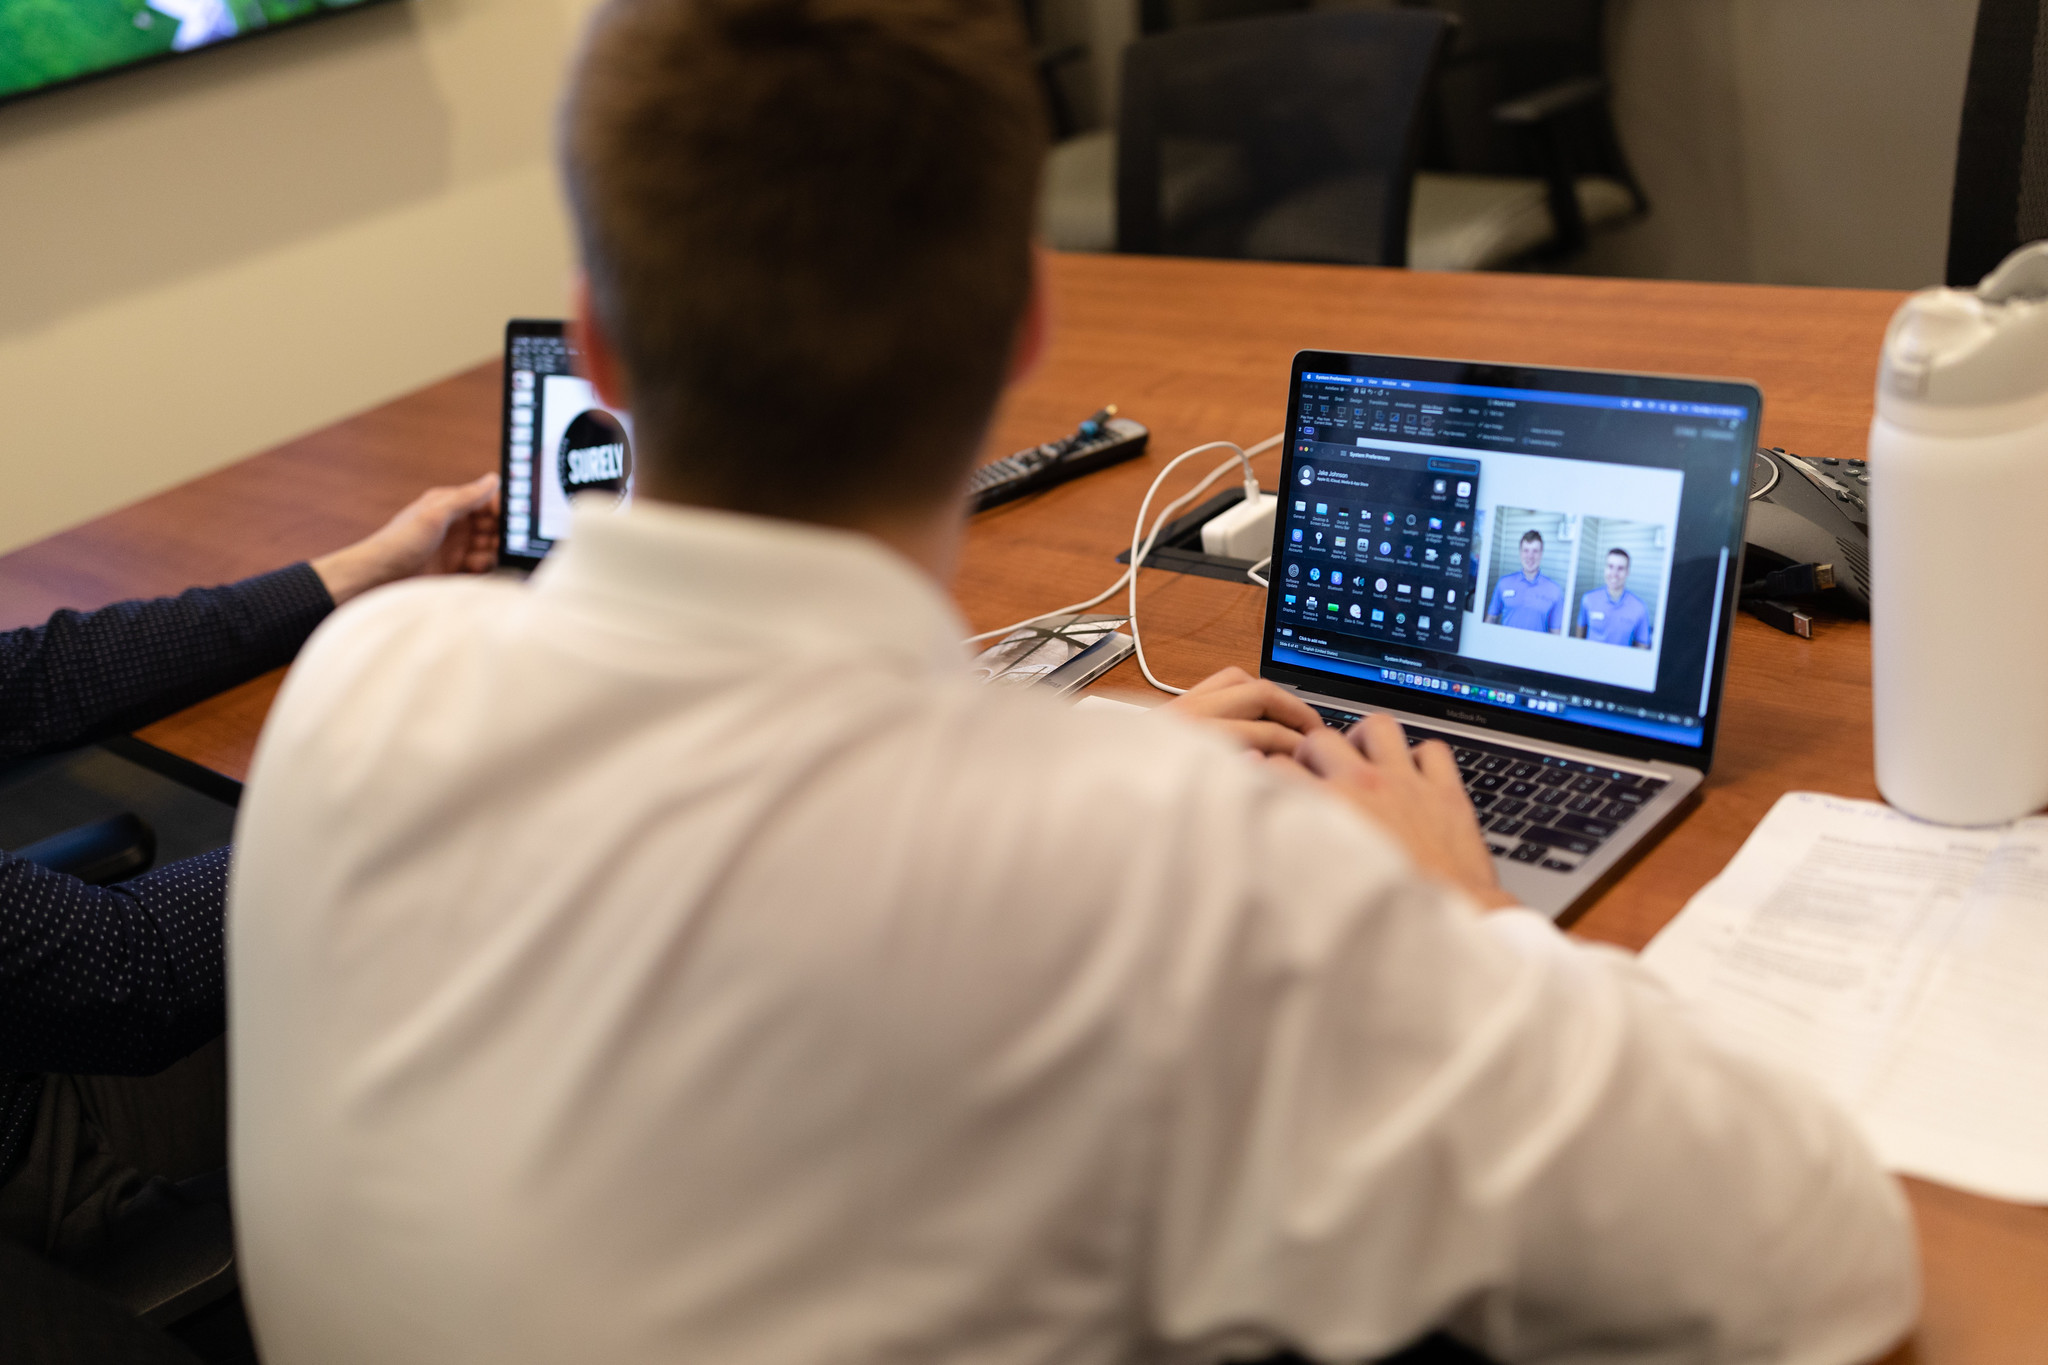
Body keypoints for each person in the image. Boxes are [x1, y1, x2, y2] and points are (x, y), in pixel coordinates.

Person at [228, 4, 1916, 1364]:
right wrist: (1454, 919)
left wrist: (1087, 775)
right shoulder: (1163, 880)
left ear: (593, 347)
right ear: (1026, 321)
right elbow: (1823, 1265)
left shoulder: (362, 681)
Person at [0, 474, 499, 1263]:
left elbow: (40, 676)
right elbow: (134, 970)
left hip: (54, 1016)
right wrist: (426, 797)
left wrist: (360, 570)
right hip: (41, 1145)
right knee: (437, 938)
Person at [1484, 529, 1564, 633]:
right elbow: (1490, 620)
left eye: (1535, 551)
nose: (1530, 556)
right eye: (1526, 550)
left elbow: (1556, 633)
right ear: (1520, 553)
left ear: (1541, 554)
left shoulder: (1555, 590)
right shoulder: (1503, 583)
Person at [1574, 547, 1653, 648]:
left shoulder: (1640, 608)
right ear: (1605, 569)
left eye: (1620, 568)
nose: (1614, 574)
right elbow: (1579, 635)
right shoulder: (1588, 599)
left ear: (1627, 572)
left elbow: (1642, 646)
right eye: (1610, 566)